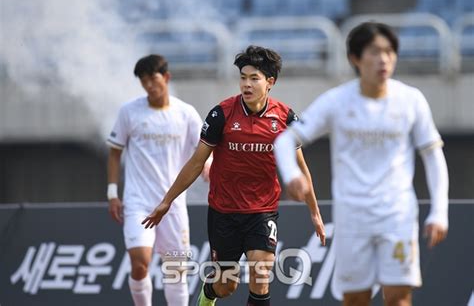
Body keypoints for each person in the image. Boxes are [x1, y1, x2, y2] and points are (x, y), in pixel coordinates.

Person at [274, 22, 449, 306]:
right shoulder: (337, 101)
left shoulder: (411, 100)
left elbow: (432, 155)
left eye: (390, 51)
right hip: (352, 217)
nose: (384, 59)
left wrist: (439, 211)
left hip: (398, 215)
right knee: (356, 299)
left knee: (398, 297)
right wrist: (292, 174)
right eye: (375, 51)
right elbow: (284, 141)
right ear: (355, 58)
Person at [142, 45, 326, 306]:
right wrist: (167, 200)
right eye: (243, 77)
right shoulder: (222, 114)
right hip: (224, 212)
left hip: (262, 211)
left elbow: (300, 167)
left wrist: (314, 212)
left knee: (261, 276)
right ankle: (208, 293)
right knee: (226, 285)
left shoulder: (285, 118)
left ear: (270, 82)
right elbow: (197, 162)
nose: (246, 84)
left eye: (254, 78)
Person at [107, 54, 209, 306]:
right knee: (140, 263)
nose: (149, 85)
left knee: (176, 270)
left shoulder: (186, 113)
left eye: (153, 78)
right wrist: (112, 193)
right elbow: (114, 151)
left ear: (166, 77)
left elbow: (204, 149)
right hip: (138, 202)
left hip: (172, 204)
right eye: (143, 81)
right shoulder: (129, 112)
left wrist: (208, 166)